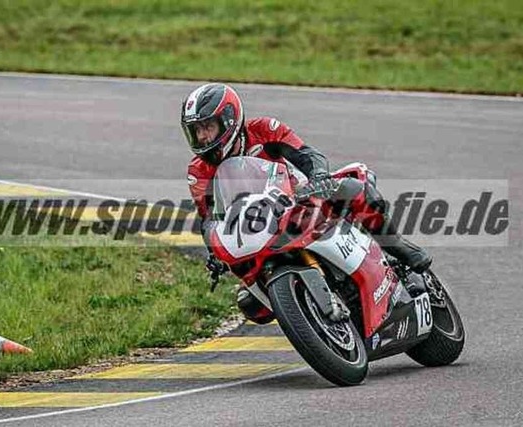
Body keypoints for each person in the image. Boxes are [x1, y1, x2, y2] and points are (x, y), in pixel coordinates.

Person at [181, 83, 431, 323]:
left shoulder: (264, 129)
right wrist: (214, 251)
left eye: (207, 127)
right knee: (251, 305)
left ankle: (397, 247)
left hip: (301, 200)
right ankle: (306, 313)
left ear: (229, 119)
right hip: (254, 229)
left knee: (355, 189)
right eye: (196, 130)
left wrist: (319, 176)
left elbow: (307, 154)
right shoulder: (198, 171)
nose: (202, 137)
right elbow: (210, 218)